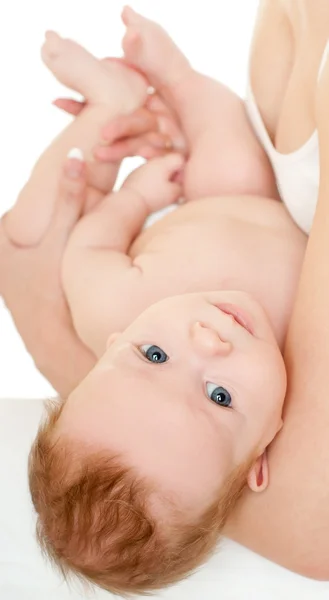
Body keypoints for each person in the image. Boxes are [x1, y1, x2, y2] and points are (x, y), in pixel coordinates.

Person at [3, 0, 329, 592]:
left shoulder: (107, 304)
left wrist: (136, 198)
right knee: (238, 166)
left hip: (212, 195)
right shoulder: (300, 360)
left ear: (111, 347)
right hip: (274, 194)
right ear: (262, 456)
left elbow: (90, 249)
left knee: (220, 164)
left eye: (154, 356)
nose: (209, 339)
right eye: (222, 395)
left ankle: (133, 93)